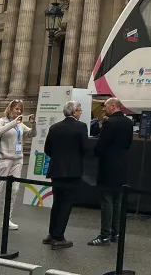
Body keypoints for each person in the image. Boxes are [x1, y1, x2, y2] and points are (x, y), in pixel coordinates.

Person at [0, 100, 34, 234]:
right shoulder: (2, 121)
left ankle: (7, 219)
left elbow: (32, 134)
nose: (19, 112)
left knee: (15, 190)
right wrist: (13, 122)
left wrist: (34, 125)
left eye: (20, 110)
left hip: (18, 160)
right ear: (10, 109)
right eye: (16, 109)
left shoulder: (21, 124)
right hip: (4, 159)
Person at [43, 100, 88, 249]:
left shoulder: (54, 127)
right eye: (80, 110)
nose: (80, 113)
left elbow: (47, 149)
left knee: (57, 202)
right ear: (74, 112)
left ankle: (51, 233)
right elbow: (85, 148)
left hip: (56, 170)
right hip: (72, 171)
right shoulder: (81, 127)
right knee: (66, 204)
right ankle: (59, 237)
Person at [89, 97, 133, 246]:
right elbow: (128, 143)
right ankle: (117, 233)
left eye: (106, 107)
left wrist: (96, 152)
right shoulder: (128, 122)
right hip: (122, 165)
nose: (104, 109)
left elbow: (100, 146)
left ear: (113, 107)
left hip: (108, 166)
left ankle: (104, 235)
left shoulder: (109, 123)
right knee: (117, 201)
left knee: (106, 201)